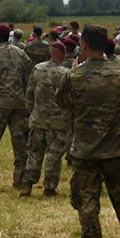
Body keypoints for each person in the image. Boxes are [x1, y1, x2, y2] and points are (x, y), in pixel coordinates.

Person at [56, 24, 120, 238]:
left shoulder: (74, 77)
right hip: (117, 151)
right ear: (105, 45)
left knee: (88, 207)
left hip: (85, 152)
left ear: (83, 45)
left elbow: (62, 102)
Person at [0, 24, 35, 193]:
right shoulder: (21, 53)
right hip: (19, 102)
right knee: (19, 142)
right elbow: (28, 79)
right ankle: (20, 178)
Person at [22, 37, 73, 197]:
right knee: (54, 155)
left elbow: (29, 94)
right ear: (63, 55)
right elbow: (70, 100)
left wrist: (33, 111)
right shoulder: (66, 73)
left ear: (51, 53)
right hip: (58, 122)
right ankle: (49, 188)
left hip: (38, 119)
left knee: (34, 153)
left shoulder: (38, 69)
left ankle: (27, 185)